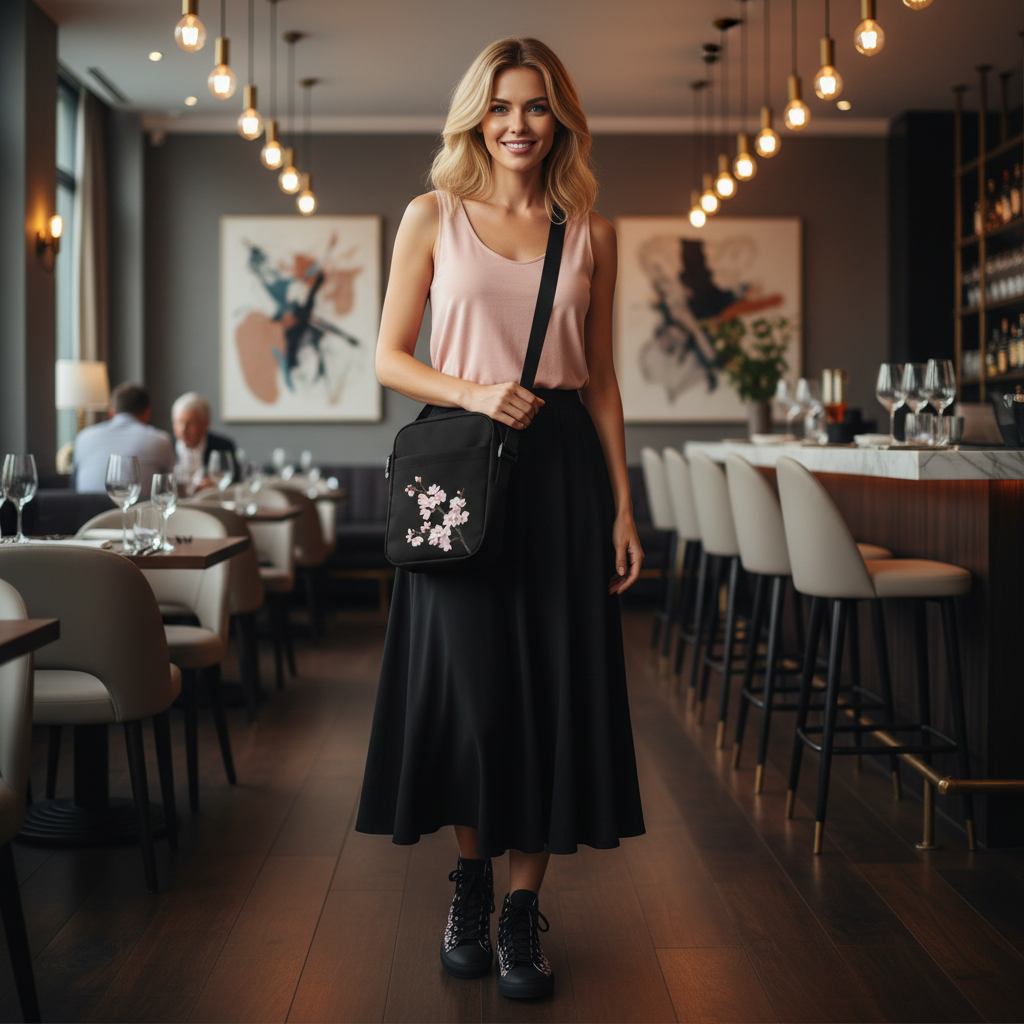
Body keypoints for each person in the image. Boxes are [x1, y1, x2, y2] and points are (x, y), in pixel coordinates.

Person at [355, 38, 645, 1000]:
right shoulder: (432, 215)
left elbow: (601, 380)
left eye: (536, 107)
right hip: (464, 469)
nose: (518, 124)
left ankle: (523, 913)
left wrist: (622, 505)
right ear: (476, 118)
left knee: (550, 691)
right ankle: (469, 887)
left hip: (563, 474)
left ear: (561, 117)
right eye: (500, 108)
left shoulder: (592, 231)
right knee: (474, 695)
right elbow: (391, 359)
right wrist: (478, 395)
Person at [72, 382, 175, 499]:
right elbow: (168, 489)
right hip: (138, 516)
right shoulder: (161, 440)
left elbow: (74, 486)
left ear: (111, 412)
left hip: (88, 516)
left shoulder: (83, 437)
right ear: (147, 412)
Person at [171, 392, 238, 485]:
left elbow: (234, 480)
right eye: (179, 422)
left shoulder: (222, 446)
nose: (183, 429)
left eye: (190, 423)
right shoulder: (166, 446)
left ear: (205, 424)